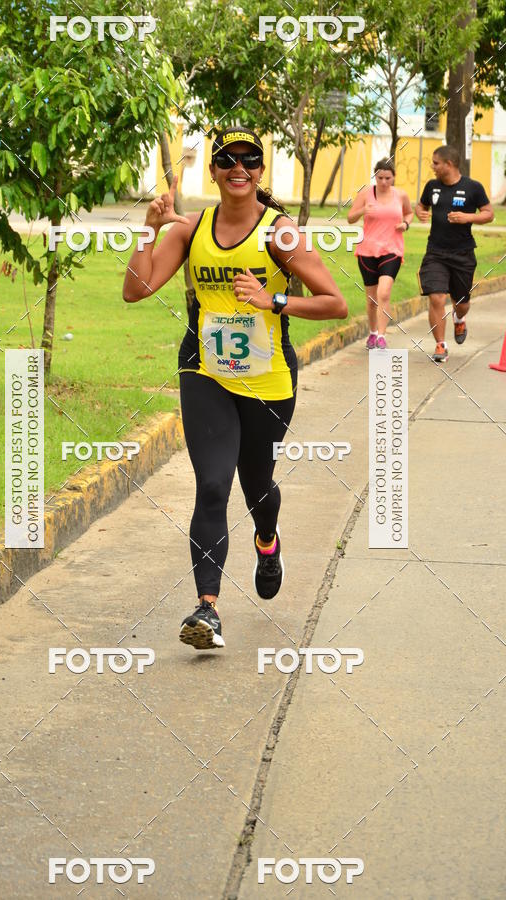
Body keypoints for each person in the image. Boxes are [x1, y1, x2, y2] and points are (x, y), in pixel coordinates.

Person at [122, 127, 347, 651]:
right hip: (206, 373)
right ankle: (207, 609)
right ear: (215, 170)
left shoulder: (280, 234)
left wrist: (273, 302)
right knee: (213, 484)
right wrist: (149, 230)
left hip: (268, 381)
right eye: (227, 159)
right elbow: (136, 290)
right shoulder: (191, 229)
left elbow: (335, 303)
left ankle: (267, 541)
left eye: (249, 159)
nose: (238, 167)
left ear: (260, 171)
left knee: (258, 486)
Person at [415, 145, 494, 362]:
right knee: (437, 296)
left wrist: (467, 217)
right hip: (435, 253)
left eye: (436, 163)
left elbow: (489, 214)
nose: (432, 167)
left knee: (462, 303)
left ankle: (459, 318)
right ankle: (440, 346)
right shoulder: (432, 186)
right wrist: (420, 212)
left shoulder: (473, 188)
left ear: (448, 164)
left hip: (463, 253)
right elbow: (421, 206)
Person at [347, 158, 413, 350]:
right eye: (380, 177)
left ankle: (382, 337)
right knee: (372, 299)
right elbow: (350, 218)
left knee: (384, 293)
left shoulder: (400, 195)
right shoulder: (366, 193)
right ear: (375, 175)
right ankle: (373, 332)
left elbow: (409, 213)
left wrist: (406, 224)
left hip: (392, 250)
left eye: (388, 178)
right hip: (367, 251)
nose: (383, 182)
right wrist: (362, 210)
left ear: (393, 177)